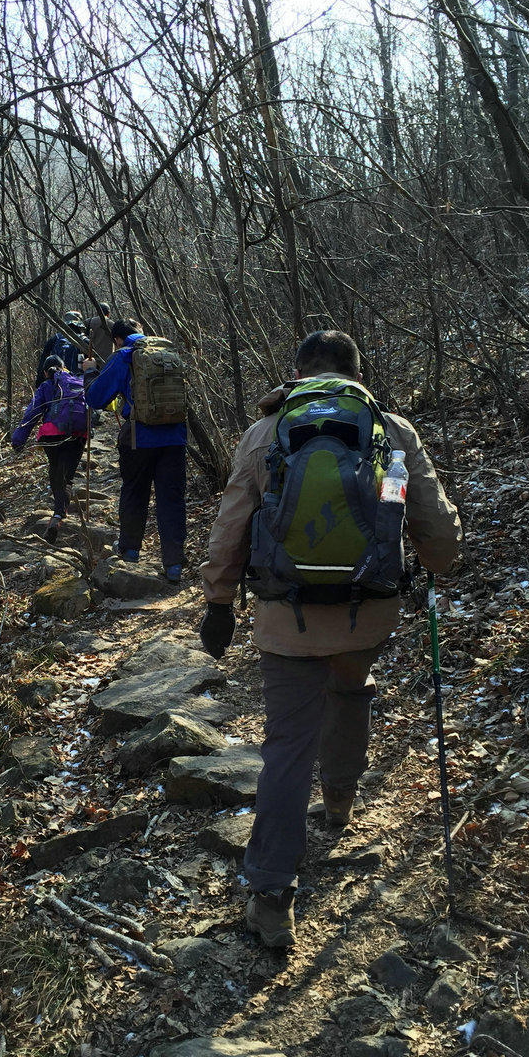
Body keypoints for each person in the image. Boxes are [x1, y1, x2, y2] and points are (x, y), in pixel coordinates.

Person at [198, 330, 462, 948]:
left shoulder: (265, 434)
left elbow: (232, 521)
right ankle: (340, 801)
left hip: (284, 616)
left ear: (298, 374)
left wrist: (217, 599)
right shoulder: (388, 431)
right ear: (356, 374)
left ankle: (270, 895)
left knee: (288, 745)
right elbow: (419, 512)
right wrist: (437, 558)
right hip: (366, 609)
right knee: (350, 688)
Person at [83, 320, 187, 583]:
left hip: (139, 438)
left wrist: (90, 372)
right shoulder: (168, 352)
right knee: (171, 500)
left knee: (134, 492)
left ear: (118, 339)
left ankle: (130, 551)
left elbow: (95, 398)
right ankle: (174, 565)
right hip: (175, 436)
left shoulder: (125, 356)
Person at [12, 353, 89, 543]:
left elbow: (33, 412)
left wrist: (18, 439)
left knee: (55, 472)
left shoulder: (47, 386)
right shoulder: (78, 380)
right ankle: (59, 515)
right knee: (67, 477)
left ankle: (58, 513)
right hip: (78, 434)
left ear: (46, 372)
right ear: (64, 367)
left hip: (52, 435)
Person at [36, 311, 86, 384]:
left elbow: (43, 360)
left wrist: (40, 379)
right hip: (77, 384)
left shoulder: (55, 339)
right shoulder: (84, 340)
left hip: (56, 382)